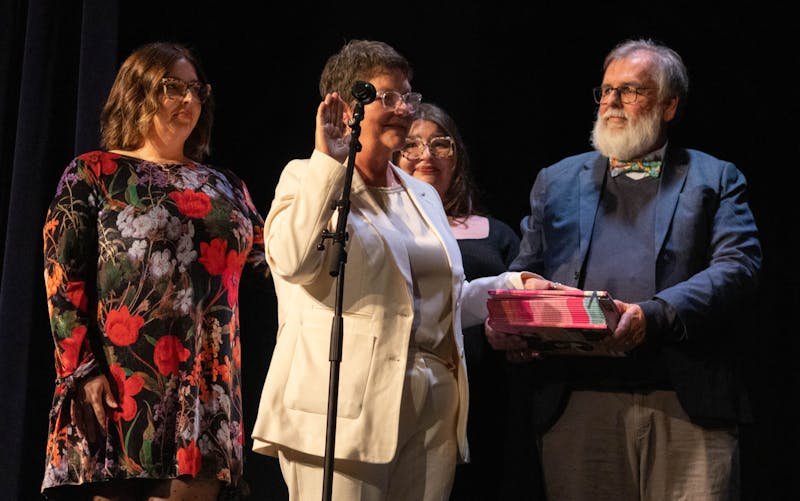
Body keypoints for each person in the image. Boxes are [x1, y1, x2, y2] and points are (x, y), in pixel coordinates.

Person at [250, 39, 553, 501]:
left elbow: (438, 302)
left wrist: (511, 286)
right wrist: (330, 165)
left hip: (431, 405)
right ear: (346, 107)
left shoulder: (421, 195)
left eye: (408, 96)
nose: (404, 108)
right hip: (344, 409)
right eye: (387, 96)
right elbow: (292, 261)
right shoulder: (307, 177)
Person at [486, 38, 762, 500]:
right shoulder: (557, 180)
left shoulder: (714, 177)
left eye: (630, 91)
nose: (612, 101)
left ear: (669, 106)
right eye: (607, 90)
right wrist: (511, 323)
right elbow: (524, 273)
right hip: (579, 404)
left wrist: (653, 315)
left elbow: (738, 267)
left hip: (684, 404)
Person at [41, 42, 268, 501]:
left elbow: (279, 260)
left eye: (196, 89)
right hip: (120, 383)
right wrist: (82, 371)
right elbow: (63, 280)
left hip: (206, 389)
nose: (188, 99)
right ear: (137, 93)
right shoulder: (94, 173)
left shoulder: (226, 185)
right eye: (172, 87)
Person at [393, 102, 536, 500]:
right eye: (412, 144)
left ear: (457, 158)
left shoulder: (496, 233)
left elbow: (514, 304)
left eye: (440, 144)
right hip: (407, 388)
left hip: (487, 393)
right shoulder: (380, 227)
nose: (427, 155)